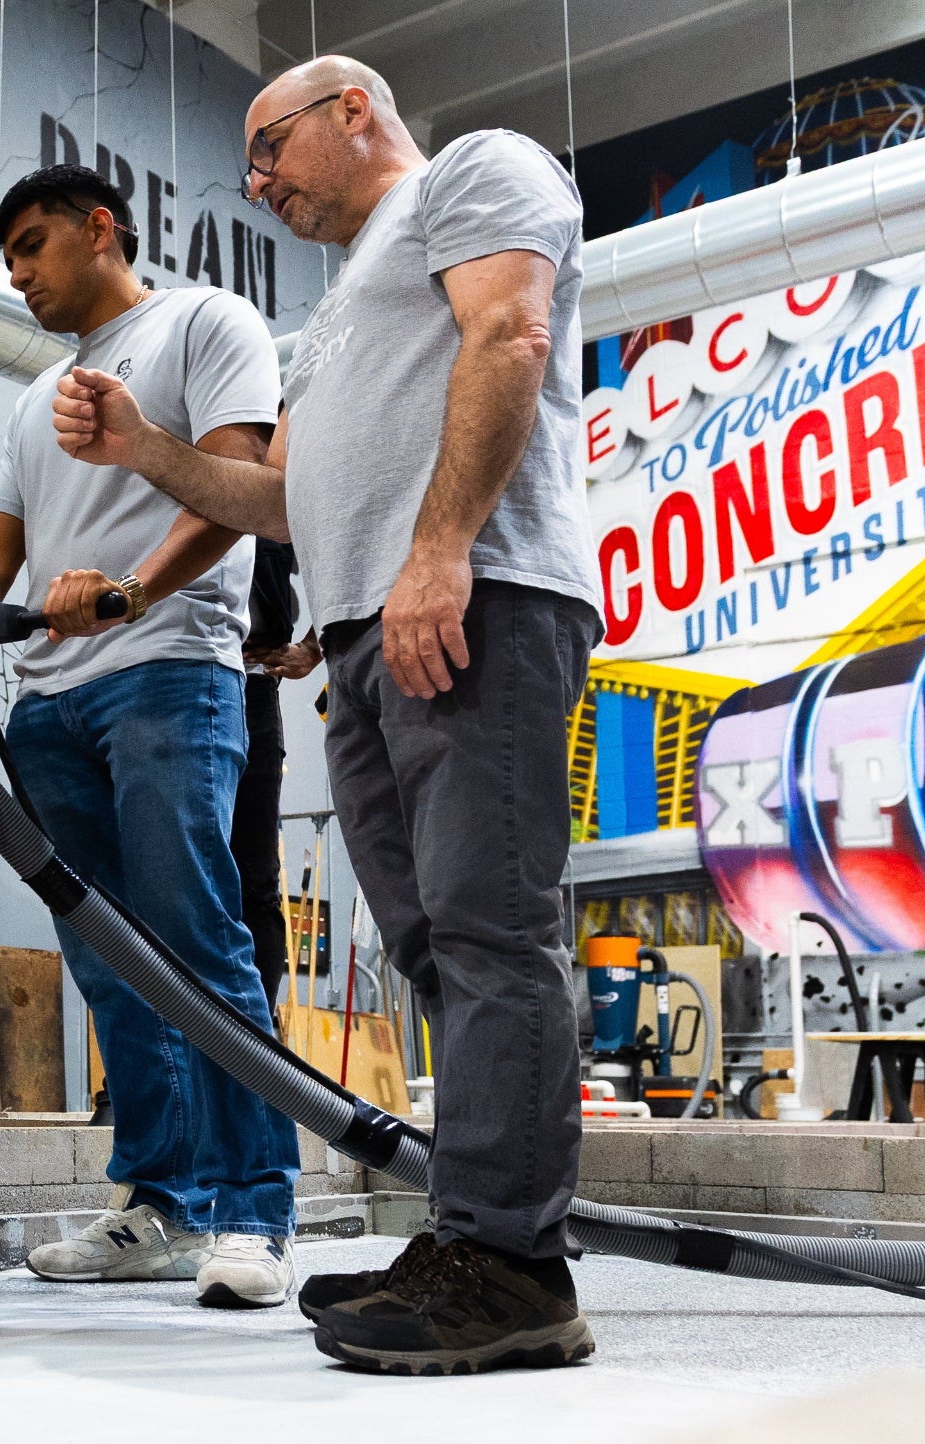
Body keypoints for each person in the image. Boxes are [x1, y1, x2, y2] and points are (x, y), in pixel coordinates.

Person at [47, 58, 604, 1374]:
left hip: (480, 600)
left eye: (267, 149)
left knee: (488, 931)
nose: (257, 184)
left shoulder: (477, 173)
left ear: (352, 109)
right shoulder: (342, 308)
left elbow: (510, 335)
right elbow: (278, 499)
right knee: (430, 945)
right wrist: (145, 451)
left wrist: (437, 553)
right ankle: (472, 1235)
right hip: (365, 641)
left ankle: (517, 1268)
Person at [0, 165, 303, 1309]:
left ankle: (252, 1205)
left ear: (101, 229)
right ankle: (160, 1203)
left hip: (166, 670)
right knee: (107, 964)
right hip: (47, 702)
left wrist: (136, 592)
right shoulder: (29, 403)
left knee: (197, 935)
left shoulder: (205, 322)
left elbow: (242, 481)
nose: (18, 271)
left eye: (33, 243)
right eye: (6, 256)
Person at [233, 546, 319, 999]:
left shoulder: (286, 478)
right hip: (158, 675)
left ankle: (255, 1049)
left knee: (255, 883)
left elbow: (345, 550)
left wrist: (313, 645)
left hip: (252, 682)